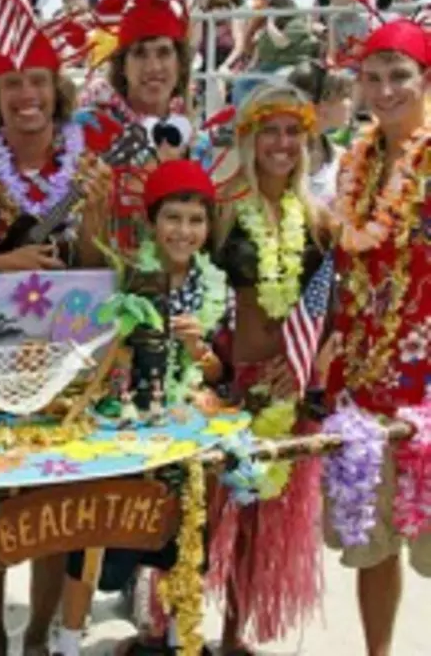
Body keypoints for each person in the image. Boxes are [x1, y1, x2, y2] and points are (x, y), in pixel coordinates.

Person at [0, 31, 112, 656]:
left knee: (57, 499)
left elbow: (94, 267)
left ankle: (36, 634)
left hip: (64, 351)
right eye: (13, 83)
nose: (27, 95)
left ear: (58, 92)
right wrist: (2, 263)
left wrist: (99, 215)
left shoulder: (86, 169)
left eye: (38, 81)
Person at [56, 161, 232, 656]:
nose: (184, 231)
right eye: (173, 218)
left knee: (184, 542)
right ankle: (67, 644)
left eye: (196, 221)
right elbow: (92, 339)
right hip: (123, 426)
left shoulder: (214, 284)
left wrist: (200, 352)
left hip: (184, 427)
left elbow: (220, 372)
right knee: (91, 537)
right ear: (153, 222)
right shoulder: (127, 273)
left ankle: (181, 641)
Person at [207, 81, 332, 655]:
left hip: (288, 386)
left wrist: (309, 365)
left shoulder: (317, 218)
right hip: (228, 385)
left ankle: (234, 638)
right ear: (249, 137)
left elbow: (333, 306)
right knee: (203, 518)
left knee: (259, 527)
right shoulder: (223, 207)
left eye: (293, 132)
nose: (282, 143)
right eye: (271, 131)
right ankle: (170, 629)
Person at [323, 17, 431, 656]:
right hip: (364, 381)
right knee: (373, 543)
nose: (386, 90)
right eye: (373, 78)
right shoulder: (356, 165)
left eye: (401, 76)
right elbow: (341, 258)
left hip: (428, 383)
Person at [78, 0, 192, 253]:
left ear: (179, 64)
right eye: (140, 54)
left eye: (164, 53)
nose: (153, 67)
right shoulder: (88, 128)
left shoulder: (194, 137)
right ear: (122, 66)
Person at [286, 61, 355, 207]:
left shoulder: (339, 155)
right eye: (346, 96)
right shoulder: (284, 156)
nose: (351, 103)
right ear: (322, 105)